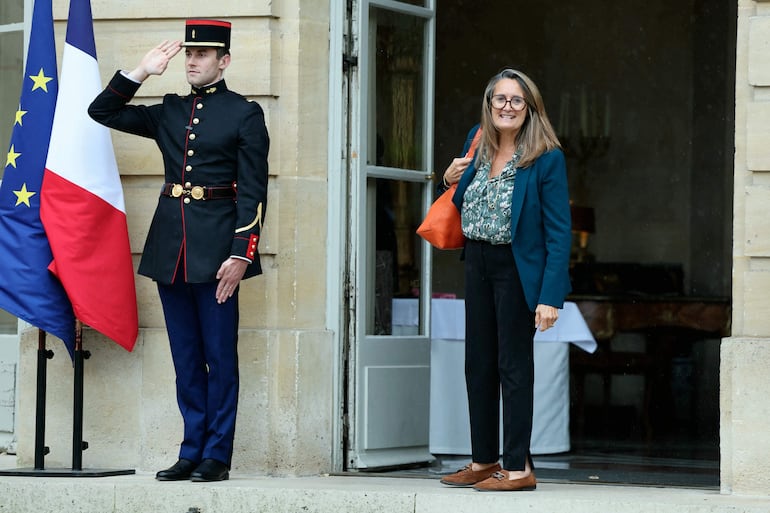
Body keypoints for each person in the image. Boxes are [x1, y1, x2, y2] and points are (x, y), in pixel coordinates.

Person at [88, 19, 269, 482]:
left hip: (219, 256)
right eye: (188, 53)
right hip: (171, 249)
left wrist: (242, 253)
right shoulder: (168, 110)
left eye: (203, 54)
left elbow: (252, 191)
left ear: (223, 60)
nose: (191, 60)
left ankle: (217, 455)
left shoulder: (244, 114)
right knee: (186, 359)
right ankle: (191, 449)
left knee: (220, 359)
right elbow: (102, 111)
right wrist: (141, 71)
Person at [437, 68, 571, 492]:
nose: (507, 107)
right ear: (489, 104)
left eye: (516, 100)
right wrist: (449, 177)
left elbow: (558, 231)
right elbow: (464, 201)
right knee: (478, 364)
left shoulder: (546, 156)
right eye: (500, 99)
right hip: (476, 260)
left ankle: (518, 468)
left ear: (530, 108)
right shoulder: (478, 141)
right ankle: (483, 460)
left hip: (516, 267)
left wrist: (550, 296)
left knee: (513, 366)